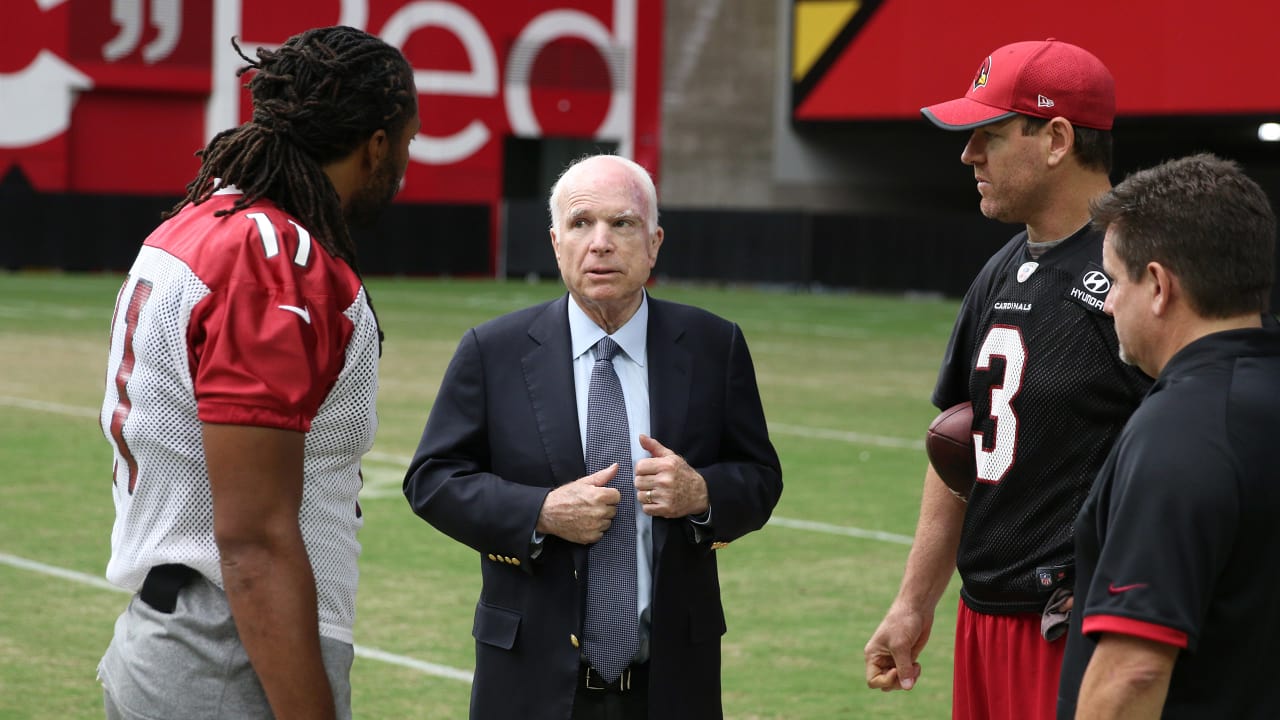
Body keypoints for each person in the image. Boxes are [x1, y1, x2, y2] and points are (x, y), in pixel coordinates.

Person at [96, 26, 419, 720]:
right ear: (377, 145)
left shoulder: (202, 221)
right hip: (228, 655)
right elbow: (254, 539)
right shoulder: (271, 254)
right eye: (408, 144)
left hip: (182, 637)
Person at [403, 154, 783, 720]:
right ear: (557, 243)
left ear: (654, 242)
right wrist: (540, 511)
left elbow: (760, 477)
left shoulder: (713, 345)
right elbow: (432, 481)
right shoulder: (494, 351)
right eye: (581, 224)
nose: (600, 243)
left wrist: (701, 493)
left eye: (622, 224)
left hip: (673, 684)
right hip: (528, 682)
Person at [863, 39, 1152, 720]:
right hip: (985, 615)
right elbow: (960, 446)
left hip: (1076, 621)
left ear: (1055, 139)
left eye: (988, 136)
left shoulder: (1139, 278)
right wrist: (913, 602)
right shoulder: (999, 271)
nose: (968, 156)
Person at [1056, 154, 1280, 719]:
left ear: (1158, 285)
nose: (1106, 303)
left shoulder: (1181, 432)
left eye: (1111, 281)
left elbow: (1135, 670)